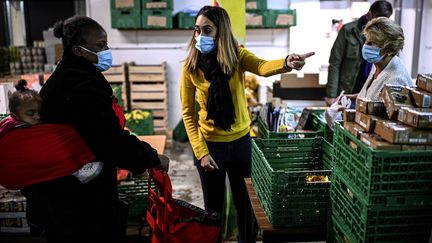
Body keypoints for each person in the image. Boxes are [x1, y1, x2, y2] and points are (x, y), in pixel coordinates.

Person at [20, 16, 168, 243]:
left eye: (106, 44)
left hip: (65, 195)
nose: (106, 50)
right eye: (100, 45)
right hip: (73, 202)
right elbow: (109, 140)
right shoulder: (80, 85)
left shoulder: (71, 74)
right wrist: (151, 158)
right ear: (79, 50)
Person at [180, 6, 314, 243]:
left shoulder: (237, 56)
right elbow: (189, 115)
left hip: (242, 144)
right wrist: (201, 153)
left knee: (246, 207)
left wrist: (287, 62)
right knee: (213, 211)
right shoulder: (190, 67)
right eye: (197, 30)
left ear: (221, 31)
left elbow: (262, 66)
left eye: (207, 30)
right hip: (210, 148)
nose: (200, 36)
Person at [325, 0, 393, 105]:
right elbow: (335, 62)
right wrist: (332, 95)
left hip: (370, 94)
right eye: (377, 20)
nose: (379, 25)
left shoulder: (384, 36)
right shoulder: (348, 30)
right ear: (369, 15)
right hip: (347, 91)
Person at [356, 17, 413, 99]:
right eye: (366, 40)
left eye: (372, 43)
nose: (365, 45)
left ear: (390, 49)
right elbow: (370, 95)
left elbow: (385, 111)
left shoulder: (396, 81)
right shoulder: (379, 64)